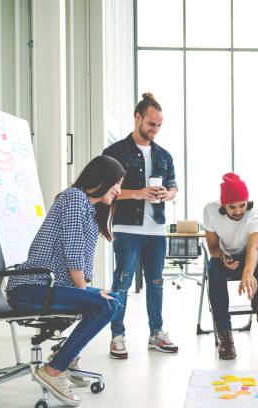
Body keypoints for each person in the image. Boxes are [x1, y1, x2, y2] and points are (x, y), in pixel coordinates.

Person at [6, 155, 124, 407]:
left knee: (113, 299)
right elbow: (72, 252)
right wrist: (86, 297)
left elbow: (83, 258)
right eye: (118, 183)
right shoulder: (74, 198)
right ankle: (54, 370)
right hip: (30, 289)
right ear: (104, 180)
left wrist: (90, 293)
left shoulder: (89, 209)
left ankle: (64, 356)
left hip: (49, 289)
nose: (119, 190)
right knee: (106, 305)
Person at [103, 92, 179, 359]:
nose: (155, 130)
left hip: (156, 230)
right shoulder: (114, 153)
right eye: (151, 124)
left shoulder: (164, 155)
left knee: (156, 283)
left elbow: (173, 188)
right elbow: (103, 192)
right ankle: (117, 335)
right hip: (127, 229)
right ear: (138, 118)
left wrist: (166, 194)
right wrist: (138, 193)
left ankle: (156, 333)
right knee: (121, 284)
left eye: (159, 126)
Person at [203, 173, 258, 360]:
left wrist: (248, 272)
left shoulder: (255, 214)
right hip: (224, 258)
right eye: (232, 207)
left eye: (242, 205)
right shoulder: (210, 211)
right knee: (213, 270)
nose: (238, 211)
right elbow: (212, 248)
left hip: (248, 257)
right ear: (223, 204)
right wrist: (222, 256)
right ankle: (225, 336)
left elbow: (255, 248)